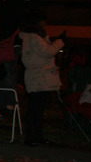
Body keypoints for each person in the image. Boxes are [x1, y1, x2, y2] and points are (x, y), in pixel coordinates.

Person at [19, 9, 64, 146]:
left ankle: (37, 137)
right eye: (42, 21)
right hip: (37, 77)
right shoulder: (33, 37)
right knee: (35, 108)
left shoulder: (35, 36)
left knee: (38, 108)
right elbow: (47, 52)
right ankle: (31, 137)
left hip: (39, 76)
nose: (44, 24)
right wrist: (60, 42)